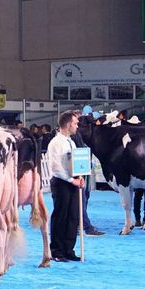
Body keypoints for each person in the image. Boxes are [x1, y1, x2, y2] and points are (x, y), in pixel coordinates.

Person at [45, 111, 84, 261]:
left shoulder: (71, 142)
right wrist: (71, 180)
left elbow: (73, 163)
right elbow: (56, 167)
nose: (77, 126)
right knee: (61, 216)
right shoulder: (55, 143)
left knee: (73, 216)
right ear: (68, 125)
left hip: (72, 181)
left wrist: (80, 176)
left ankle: (68, 249)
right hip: (61, 182)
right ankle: (57, 251)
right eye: (75, 123)